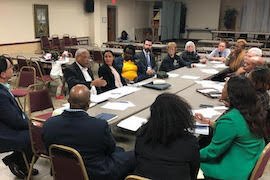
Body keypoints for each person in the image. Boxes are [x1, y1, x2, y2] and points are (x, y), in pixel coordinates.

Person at [43, 84, 135, 180]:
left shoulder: (49, 124)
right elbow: (110, 149)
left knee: (119, 151)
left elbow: (48, 149)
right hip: (95, 174)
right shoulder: (99, 126)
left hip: (62, 170)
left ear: (68, 100)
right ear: (88, 104)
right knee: (134, 155)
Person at [195, 76, 267, 179]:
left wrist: (191, 154)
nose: (222, 90)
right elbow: (240, 130)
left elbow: (212, 153)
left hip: (229, 172)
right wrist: (210, 123)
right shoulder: (251, 111)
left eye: (224, 87)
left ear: (230, 95)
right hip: (246, 164)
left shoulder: (230, 120)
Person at [135, 93, 200, 180]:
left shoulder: (142, 136)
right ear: (182, 116)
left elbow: (137, 161)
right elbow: (193, 174)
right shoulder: (190, 142)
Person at [0, 56, 38, 179]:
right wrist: (31, 126)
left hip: (9, 124)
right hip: (4, 132)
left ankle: (17, 161)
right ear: (2, 74)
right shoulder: (0, 94)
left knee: (36, 131)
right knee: (36, 135)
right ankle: (19, 163)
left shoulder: (4, 87)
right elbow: (14, 121)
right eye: (11, 67)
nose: (13, 69)